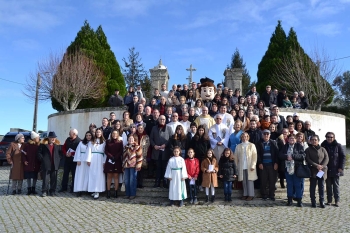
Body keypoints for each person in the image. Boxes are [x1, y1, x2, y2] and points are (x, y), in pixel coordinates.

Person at [279, 134, 306, 207]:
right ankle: (289, 200)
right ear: (288, 139)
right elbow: (280, 155)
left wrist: (293, 156)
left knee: (297, 185)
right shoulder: (285, 146)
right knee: (289, 185)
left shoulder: (299, 146)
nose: (292, 140)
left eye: (293, 138)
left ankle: (299, 200)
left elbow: (303, 156)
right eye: (290, 138)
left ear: (296, 139)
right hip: (287, 169)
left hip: (296, 169)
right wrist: (286, 157)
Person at [321, 132, 345, 207]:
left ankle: (337, 200)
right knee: (328, 186)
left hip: (336, 169)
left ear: (334, 138)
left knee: (336, 186)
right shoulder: (323, 145)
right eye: (328, 137)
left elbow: (343, 157)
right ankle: (329, 200)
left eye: (331, 137)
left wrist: (341, 167)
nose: (329, 138)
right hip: (326, 169)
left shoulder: (338, 146)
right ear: (326, 137)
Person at [306, 135, 329, 208]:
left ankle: (322, 201)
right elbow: (308, 159)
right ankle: (313, 201)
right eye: (312, 140)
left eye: (315, 140)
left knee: (321, 186)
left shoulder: (323, 149)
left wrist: (322, 166)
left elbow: (326, 158)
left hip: (321, 171)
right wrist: (316, 165)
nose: (314, 141)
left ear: (318, 141)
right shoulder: (308, 149)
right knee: (312, 186)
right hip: (313, 170)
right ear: (310, 141)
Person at [37, 131, 63, 197]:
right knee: (45, 178)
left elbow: (61, 153)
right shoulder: (43, 145)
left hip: (55, 164)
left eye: (54, 137)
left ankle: (52, 191)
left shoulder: (57, 145)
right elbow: (39, 153)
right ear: (48, 138)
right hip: (46, 164)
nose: (53, 139)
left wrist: (58, 159)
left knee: (54, 179)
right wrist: (42, 159)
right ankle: (44, 191)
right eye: (52, 137)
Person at [256, 129, 279, 201]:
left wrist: (276, 163)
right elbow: (258, 154)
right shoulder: (259, 143)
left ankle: (271, 195)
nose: (266, 135)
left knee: (272, 181)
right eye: (264, 134)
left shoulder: (273, 143)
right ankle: (264, 195)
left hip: (272, 165)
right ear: (262, 135)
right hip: (263, 165)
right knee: (263, 180)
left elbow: (277, 154)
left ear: (270, 135)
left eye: (267, 134)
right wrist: (259, 163)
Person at [234, 133, 258, 201]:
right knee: (244, 181)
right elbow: (235, 157)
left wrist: (253, 165)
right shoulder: (238, 146)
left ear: (248, 137)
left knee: (250, 180)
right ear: (241, 138)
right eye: (243, 137)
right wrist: (235, 166)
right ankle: (245, 194)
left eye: (246, 136)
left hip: (249, 165)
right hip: (241, 166)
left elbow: (254, 156)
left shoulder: (252, 145)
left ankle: (251, 194)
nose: (244, 138)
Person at [150, 115, 172, 188]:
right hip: (156, 151)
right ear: (158, 120)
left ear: (165, 120)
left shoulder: (169, 128)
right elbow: (151, 139)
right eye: (161, 119)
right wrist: (154, 145)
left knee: (165, 167)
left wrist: (165, 145)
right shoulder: (154, 128)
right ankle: (157, 182)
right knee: (158, 167)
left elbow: (171, 139)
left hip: (165, 151)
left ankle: (165, 182)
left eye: (163, 119)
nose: (162, 120)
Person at [86, 128, 106, 199]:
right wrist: (88, 160)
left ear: (101, 133)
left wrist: (104, 161)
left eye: (99, 132)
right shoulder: (92, 141)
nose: (98, 133)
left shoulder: (104, 141)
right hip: (93, 158)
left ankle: (98, 190)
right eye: (97, 132)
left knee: (99, 175)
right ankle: (93, 189)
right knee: (93, 174)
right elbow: (89, 150)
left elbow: (105, 152)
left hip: (100, 159)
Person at [60, 129, 81, 193]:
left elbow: (79, 151)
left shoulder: (79, 141)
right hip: (67, 160)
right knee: (65, 174)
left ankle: (73, 188)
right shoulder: (68, 139)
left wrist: (71, 153)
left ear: (74, 134)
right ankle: (64, 187)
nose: (69, 134)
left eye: (70, 133)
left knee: (74, 175)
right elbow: (63, 147)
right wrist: (65, 153)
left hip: (74, 161)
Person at [104, 130, 123, 198]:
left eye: (116, 134)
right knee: (109, 176)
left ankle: (116, 192)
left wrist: (116, 157)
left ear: (118, 135)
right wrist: (111, 156)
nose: (114, 135)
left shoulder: (120, 142)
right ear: (111, 134)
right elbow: (106, 151)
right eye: (113, 134)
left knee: (116, 176)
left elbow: (121, 151)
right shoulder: (108, 141)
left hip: (117, 160)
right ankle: (108, 192)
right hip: (109, 160)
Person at [73, 131, 93, 196]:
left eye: (90, 135)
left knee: (88, 175)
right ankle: (79, 189)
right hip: (81, 160)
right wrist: (78, 159)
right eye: (87, 135)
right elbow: (78, 151)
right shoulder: (81, 143)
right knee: (80, 175)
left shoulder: (93, 143)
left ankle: (88, 189)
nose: (88, 137)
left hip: (89, 161)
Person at [135, 123, 150, 189]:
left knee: (141, 170)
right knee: (135, 171)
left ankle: (140, 183)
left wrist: (147, 156)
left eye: (141, 128)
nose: (140, 129)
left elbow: (148, 146)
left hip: (143, 155)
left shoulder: (146, 136)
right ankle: (135, 183)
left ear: (143, 129)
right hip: (134, 155)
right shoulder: (134, 136)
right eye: (139, 128)